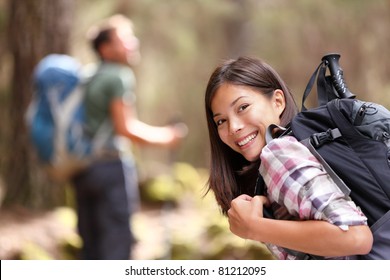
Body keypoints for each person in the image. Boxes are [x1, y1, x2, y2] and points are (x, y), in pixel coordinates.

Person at [204, 56, 373, 260]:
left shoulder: (279, 153)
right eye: (221, 120)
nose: (233, 127)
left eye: (242, 107)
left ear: (278, 102)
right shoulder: (283, 155)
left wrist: (254, 228)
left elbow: (356, 237)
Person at [72, 14, 187, 260]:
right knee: (117, 243)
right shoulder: (118, 76)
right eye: (125, 39)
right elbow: (127, 129)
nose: (133, 43)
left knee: (90, 244)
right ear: (106, 48)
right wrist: (167, 137)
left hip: (83, 168)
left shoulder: (89, 76)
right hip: (111, 167)